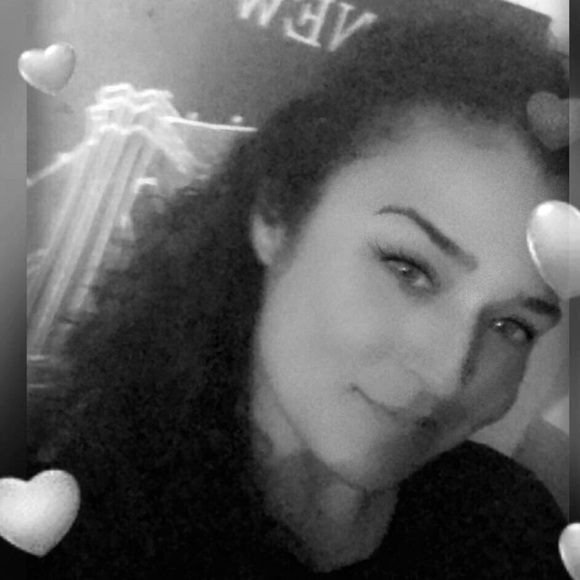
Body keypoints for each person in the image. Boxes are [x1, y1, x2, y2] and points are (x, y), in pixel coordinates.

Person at [27, 0, 570, 577]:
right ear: (278, 213)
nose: (447, 375)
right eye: (408, 268)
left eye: (513, 326)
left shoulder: (509, 529)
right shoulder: (61, 504)